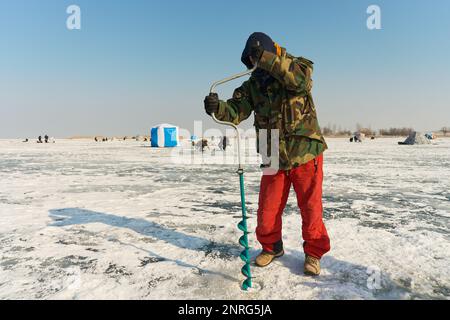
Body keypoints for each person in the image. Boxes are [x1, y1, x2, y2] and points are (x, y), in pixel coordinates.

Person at [204, 32, 330, 276]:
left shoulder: (297, 67)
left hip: (304, 151)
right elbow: (235, 112)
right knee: (267, 209)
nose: (254, 64)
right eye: (251, 60)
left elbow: (301, 82)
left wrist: (268, 60)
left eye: (256, 58)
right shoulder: (253, 86)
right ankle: (272, 247)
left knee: (311, 208)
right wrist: (217, 108)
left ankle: (314, 254)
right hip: (272, 154)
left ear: (268, 52)